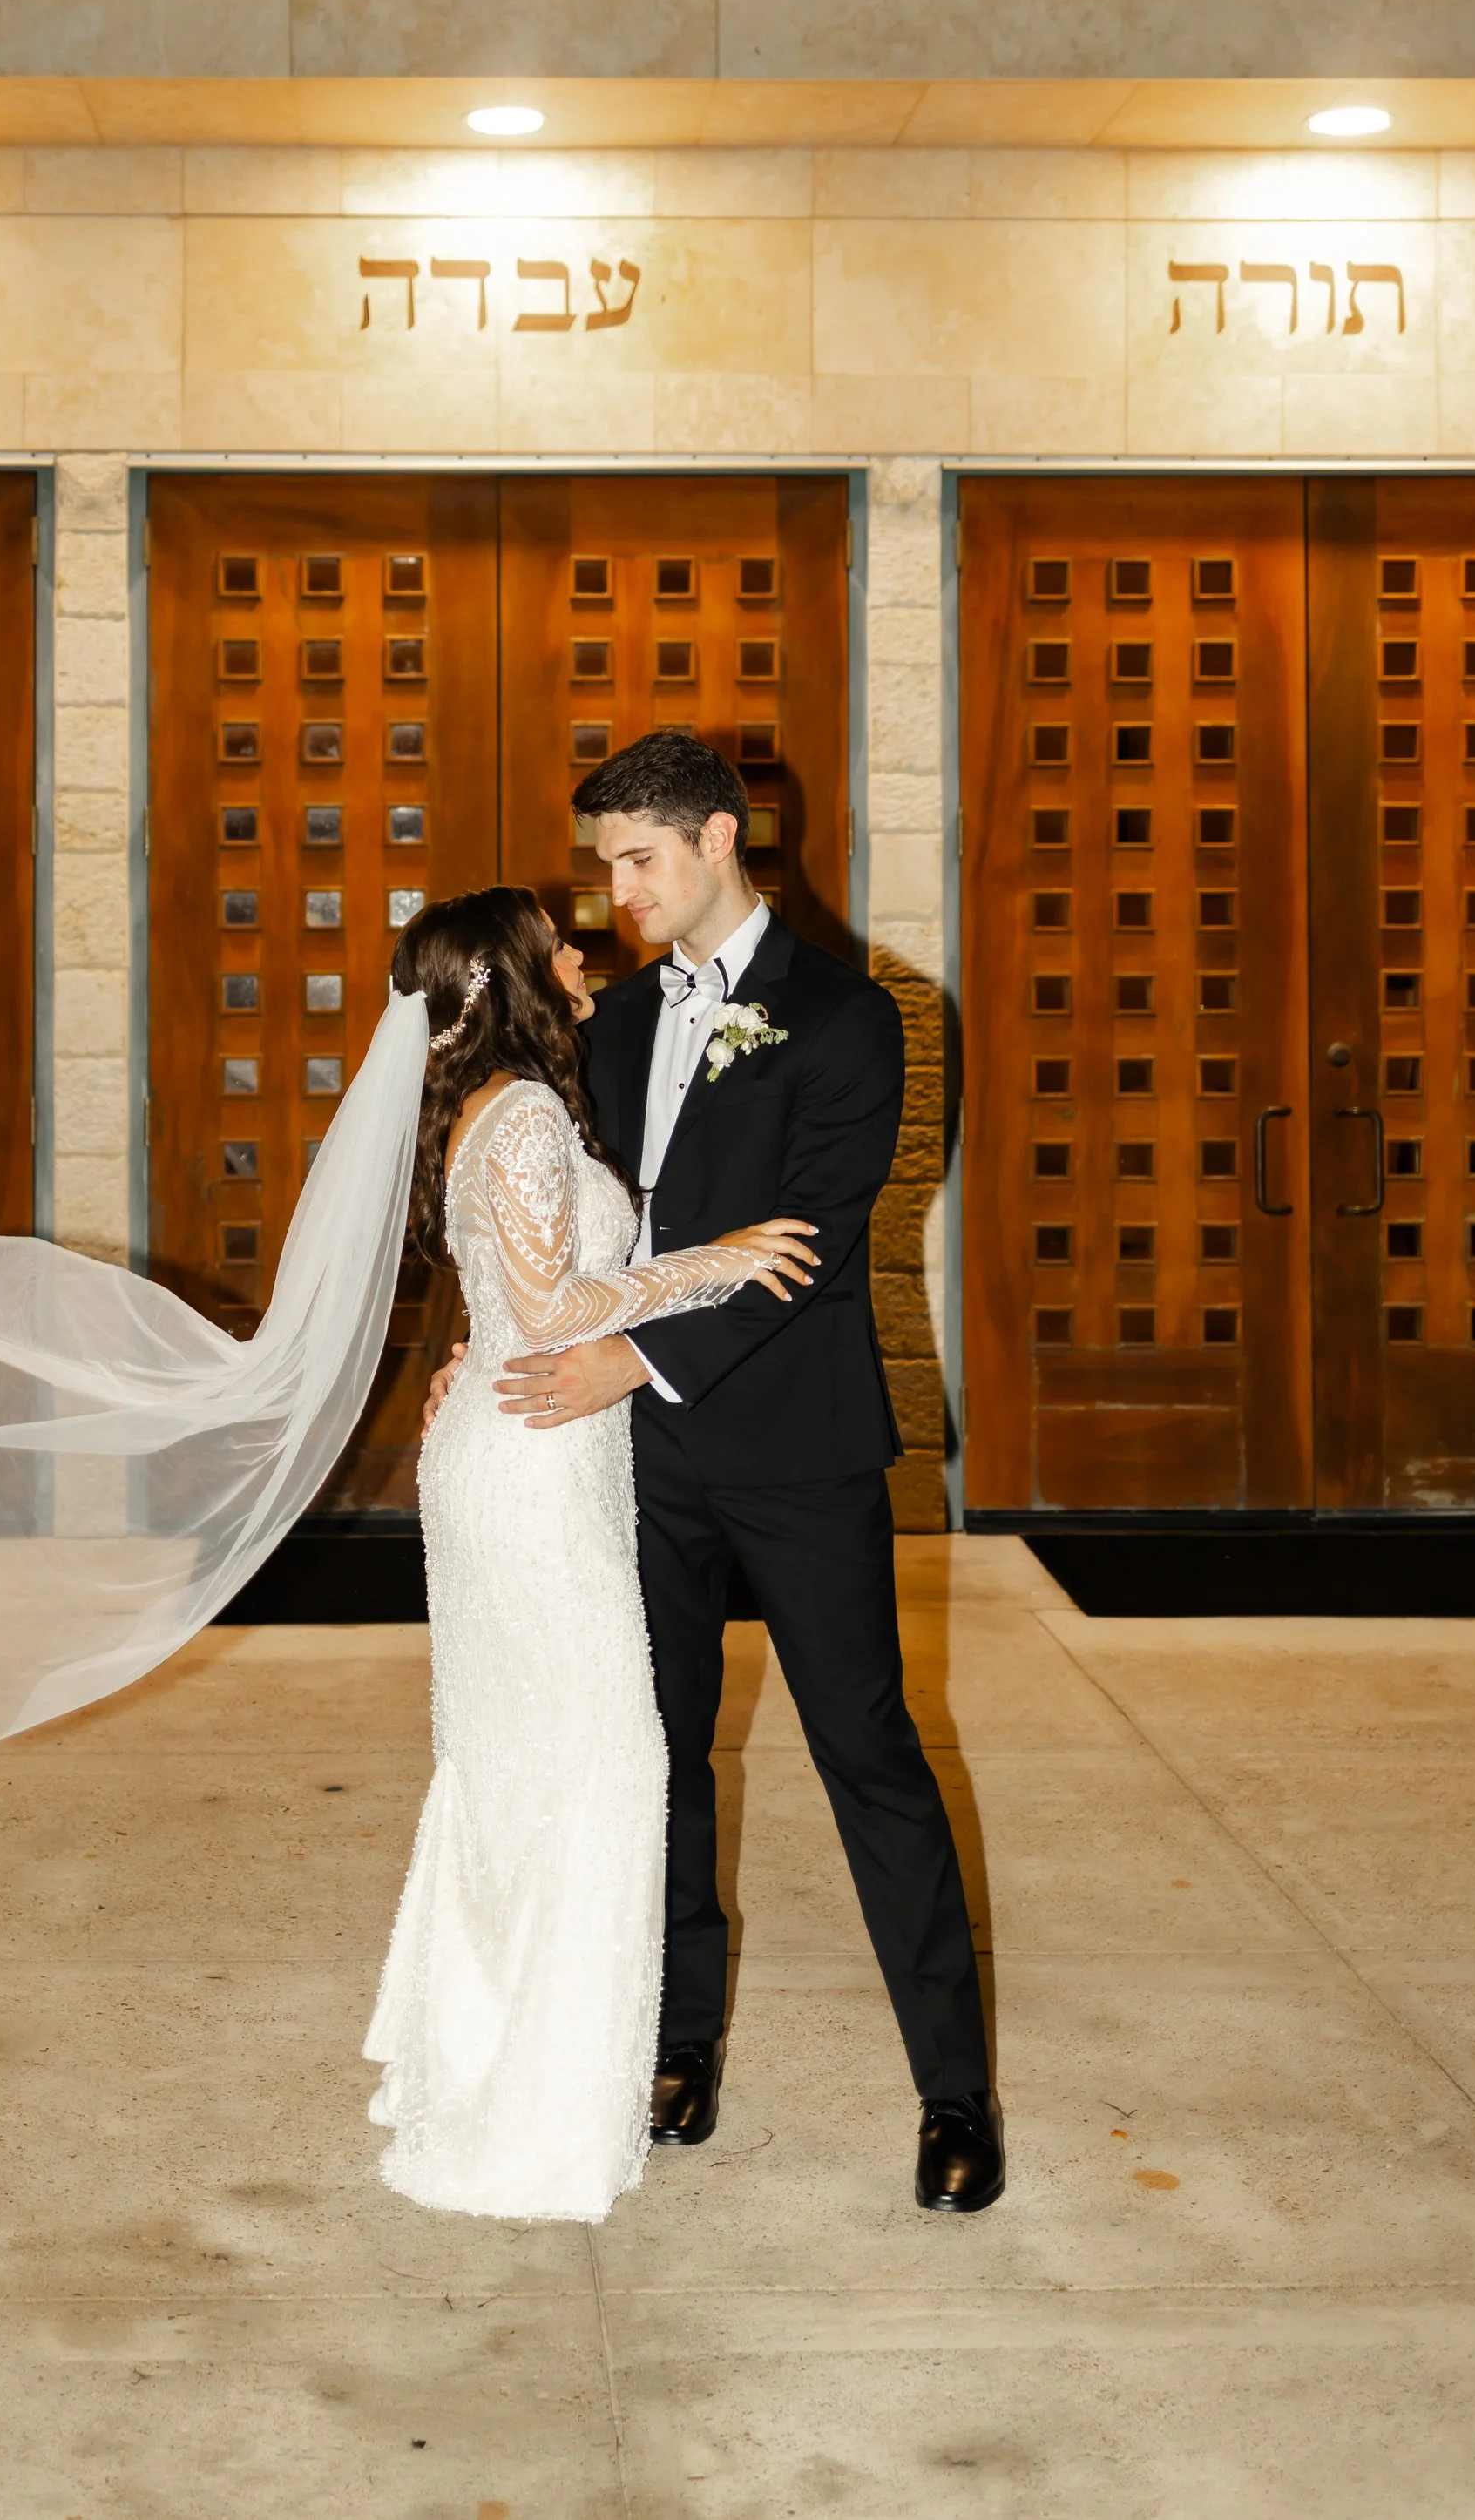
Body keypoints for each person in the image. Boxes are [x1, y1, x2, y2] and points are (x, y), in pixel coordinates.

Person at [428, 734, 1003, 2213]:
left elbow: (806, 1258)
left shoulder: (851, 1016)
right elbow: (557, 1214)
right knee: (661, 1753)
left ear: (721, 839)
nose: (617, 895)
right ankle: (681, 2045)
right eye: (605, 866)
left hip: (795, 1452)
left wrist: (632, 1360)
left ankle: (955, 2093)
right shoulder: (613, 1022)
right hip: (630, 1466)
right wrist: (489, 1337)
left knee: (868, 1755)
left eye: (640, 862)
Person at [366, 884, 817, 2222]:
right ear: (513, 974)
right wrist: (721, 1262)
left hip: (525, 1450)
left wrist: (484, 1345)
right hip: (532, 1469)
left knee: (527, 1767)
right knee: (599, 1763)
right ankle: (533, 2105)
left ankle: (507, 2067)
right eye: (560, 944)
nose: (583, 955)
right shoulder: (525, 1115)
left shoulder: (492, 1109)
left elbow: (511, 1302)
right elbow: (557, 1303)